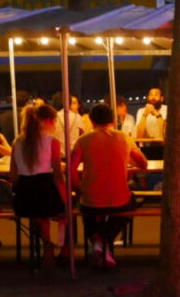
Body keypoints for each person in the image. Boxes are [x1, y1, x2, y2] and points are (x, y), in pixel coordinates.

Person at [71, 104, 147, 268]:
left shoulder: (82, 141)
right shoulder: (124, 138)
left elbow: (71, 170)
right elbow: (143, 164)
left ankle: (98, 243)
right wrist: (125, 157)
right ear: (113, 121)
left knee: (87, 209)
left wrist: (79, 189)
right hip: (118, 201)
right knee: (130, 203)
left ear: (91, 122)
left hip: (91, 201)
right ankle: (104, 244)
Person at [10, 105, 65, 267]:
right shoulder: (52, 142)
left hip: (23, 200)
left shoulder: (16, 142)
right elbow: (57, 175)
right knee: (63, 210)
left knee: (38, 211)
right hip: (46, 193)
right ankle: (54, 246)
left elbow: (13, 177)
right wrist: (65, 197)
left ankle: (45, 242)